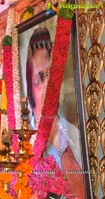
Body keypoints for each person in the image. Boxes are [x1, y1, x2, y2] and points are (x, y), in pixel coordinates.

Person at [26, 27, 85, 198]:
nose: (47, 86)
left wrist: (60, 143)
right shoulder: (20, 137)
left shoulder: (74, 134)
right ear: (29, 87)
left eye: (51, 76)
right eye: (39, 79)